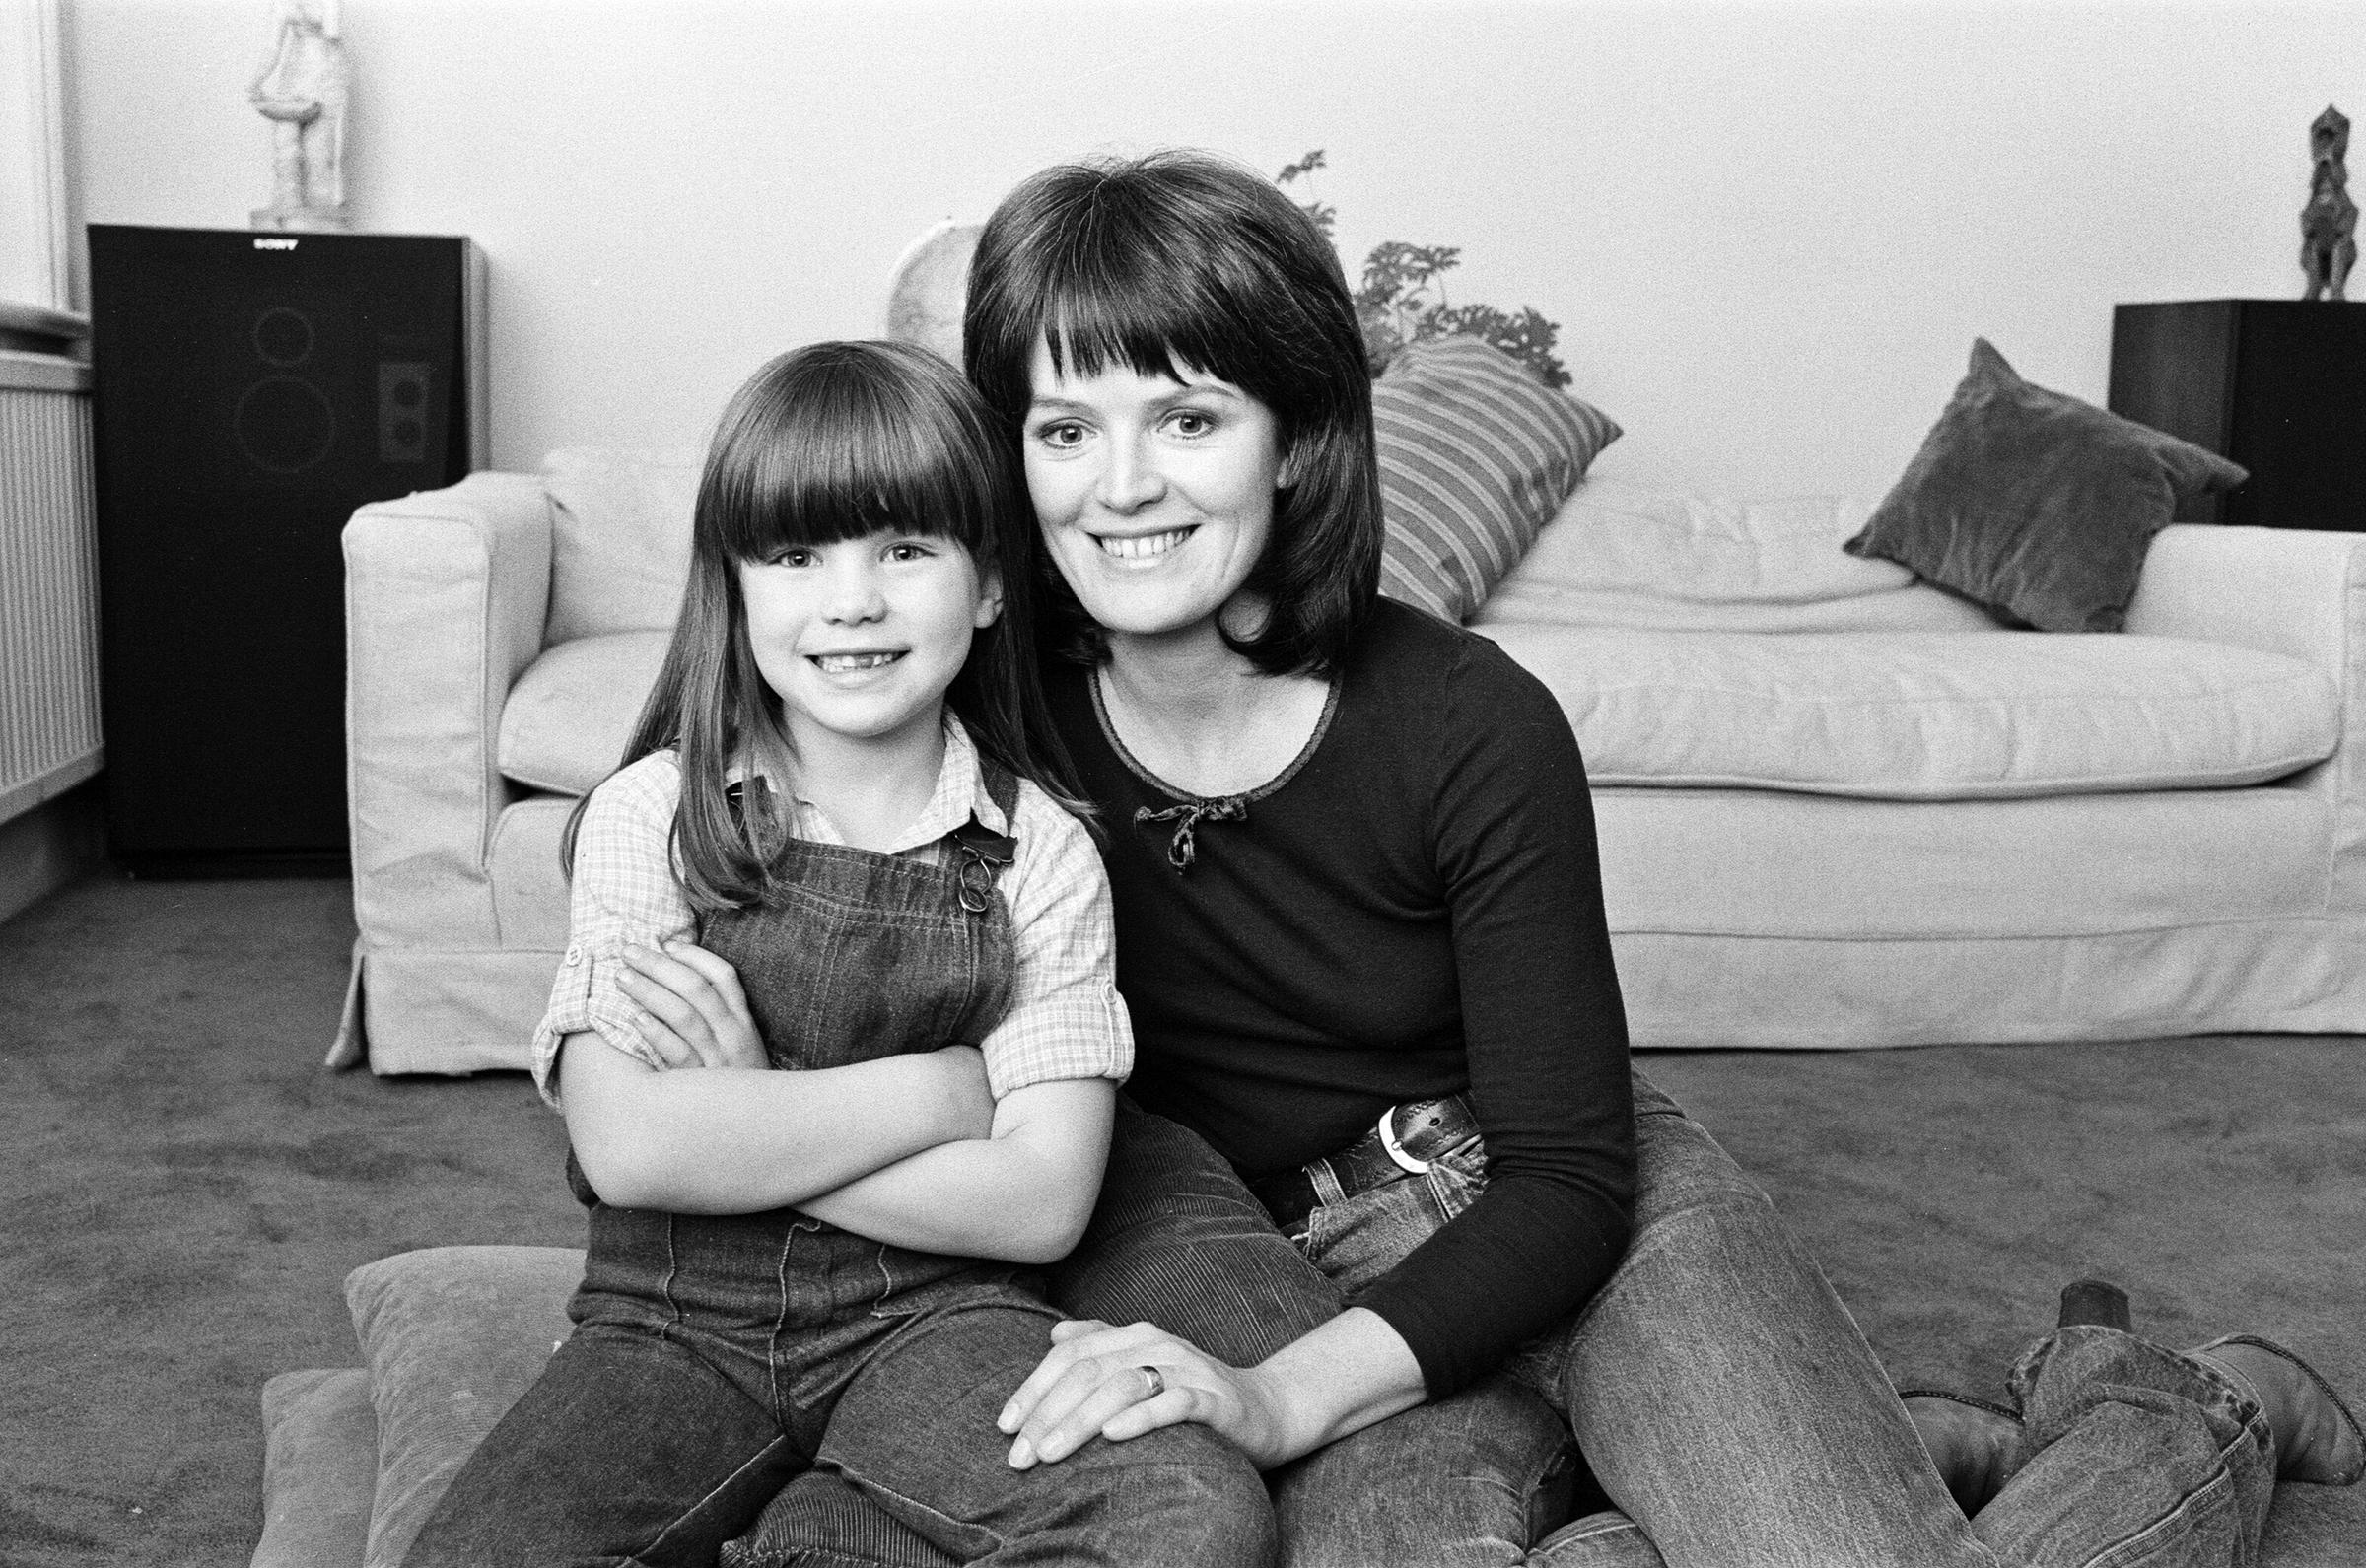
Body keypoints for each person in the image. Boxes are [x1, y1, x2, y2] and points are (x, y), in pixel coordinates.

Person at [631, 159, 2365, 1568]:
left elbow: (1564, 1181)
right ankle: (1881, 1446)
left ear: (1298, 437)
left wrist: (1279, 1402)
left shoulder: (1470, 720)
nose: (1121, 488)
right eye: (1065, 430)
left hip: (1560, 1209)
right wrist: (720, 1067)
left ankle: (2169, 1412)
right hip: (1247, 1254)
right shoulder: (986, 702)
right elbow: (702, 760)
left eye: (1189, 420)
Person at [402, 341, 1276, 1568]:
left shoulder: (1042, 853)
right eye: (799, 555)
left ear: (985, 586)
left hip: (933, 1313)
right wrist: (939, 1091)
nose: (853, 601)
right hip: (671, 1319)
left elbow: (1038, 1204)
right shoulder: (654, 813)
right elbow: (630, 1144)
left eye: (905, 550)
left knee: (1194, 1516)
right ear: (736, 587)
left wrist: (745, 1112)